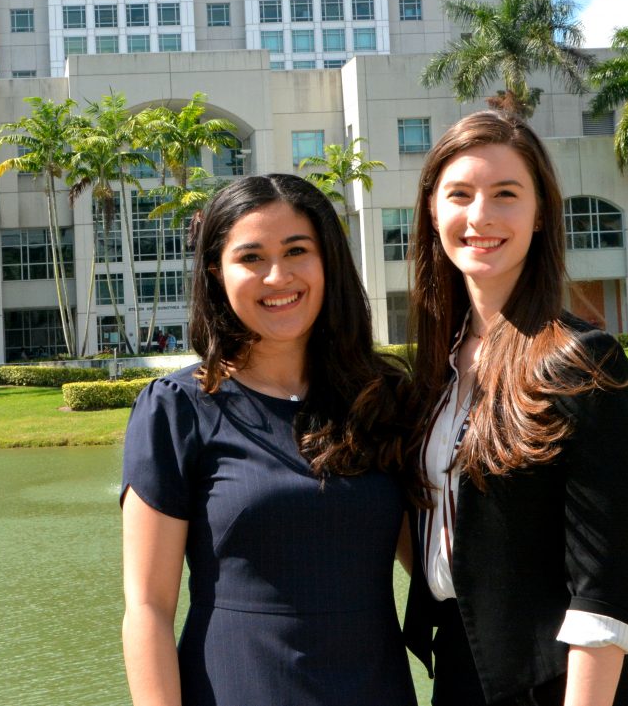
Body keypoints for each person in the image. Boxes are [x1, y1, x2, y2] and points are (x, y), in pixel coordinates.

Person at [120, 173, 421, 706]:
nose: (277, 276)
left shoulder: (384, 399)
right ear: (217, 274)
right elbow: (148, 605)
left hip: (374, 687)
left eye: (297, 251)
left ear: (328, 260)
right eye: (251, 257)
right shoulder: (176, 409)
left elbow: (432, 566)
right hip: (238, 684)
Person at [404, 112, 628, 706]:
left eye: (506, 195)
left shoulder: (582, 362)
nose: (480, 215)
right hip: (463, 671)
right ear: (434, 212)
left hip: (558, 682)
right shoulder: (433, 372)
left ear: (540, 216)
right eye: (459, 194)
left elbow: (604, 587)